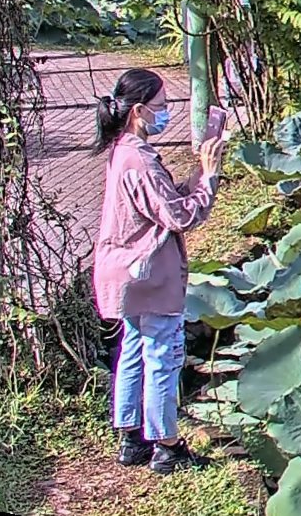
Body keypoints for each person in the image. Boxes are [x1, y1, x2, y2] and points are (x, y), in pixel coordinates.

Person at [88, 68, 222, 471]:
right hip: (148, 272)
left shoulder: (123, 150)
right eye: (162, 107)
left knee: (131, 349)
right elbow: (180, 216)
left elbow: (158, 204)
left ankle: (131, 438)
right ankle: (166, 445)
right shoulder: (139, 159)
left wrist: (197, 174)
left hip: (123, 271)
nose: (166, 115)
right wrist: (210, 179)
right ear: (139, 111)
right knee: (162, 354)